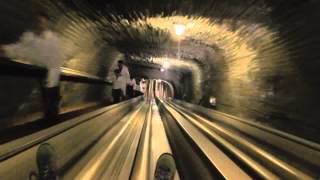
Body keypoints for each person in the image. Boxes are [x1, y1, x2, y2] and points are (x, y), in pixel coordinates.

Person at [0, 12, 65, 122]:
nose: (40, 25)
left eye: (42, 22)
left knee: (51, 103)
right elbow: (20, 49)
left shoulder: (54, 40)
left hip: (52, 75)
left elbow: (57, 60)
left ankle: (52, 121)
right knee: (46, 103)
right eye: (38, 22)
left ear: (47, 24)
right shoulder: (30, 37)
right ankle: (49, 122)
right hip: (40, 73)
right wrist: (5, 50)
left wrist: (51, 82)